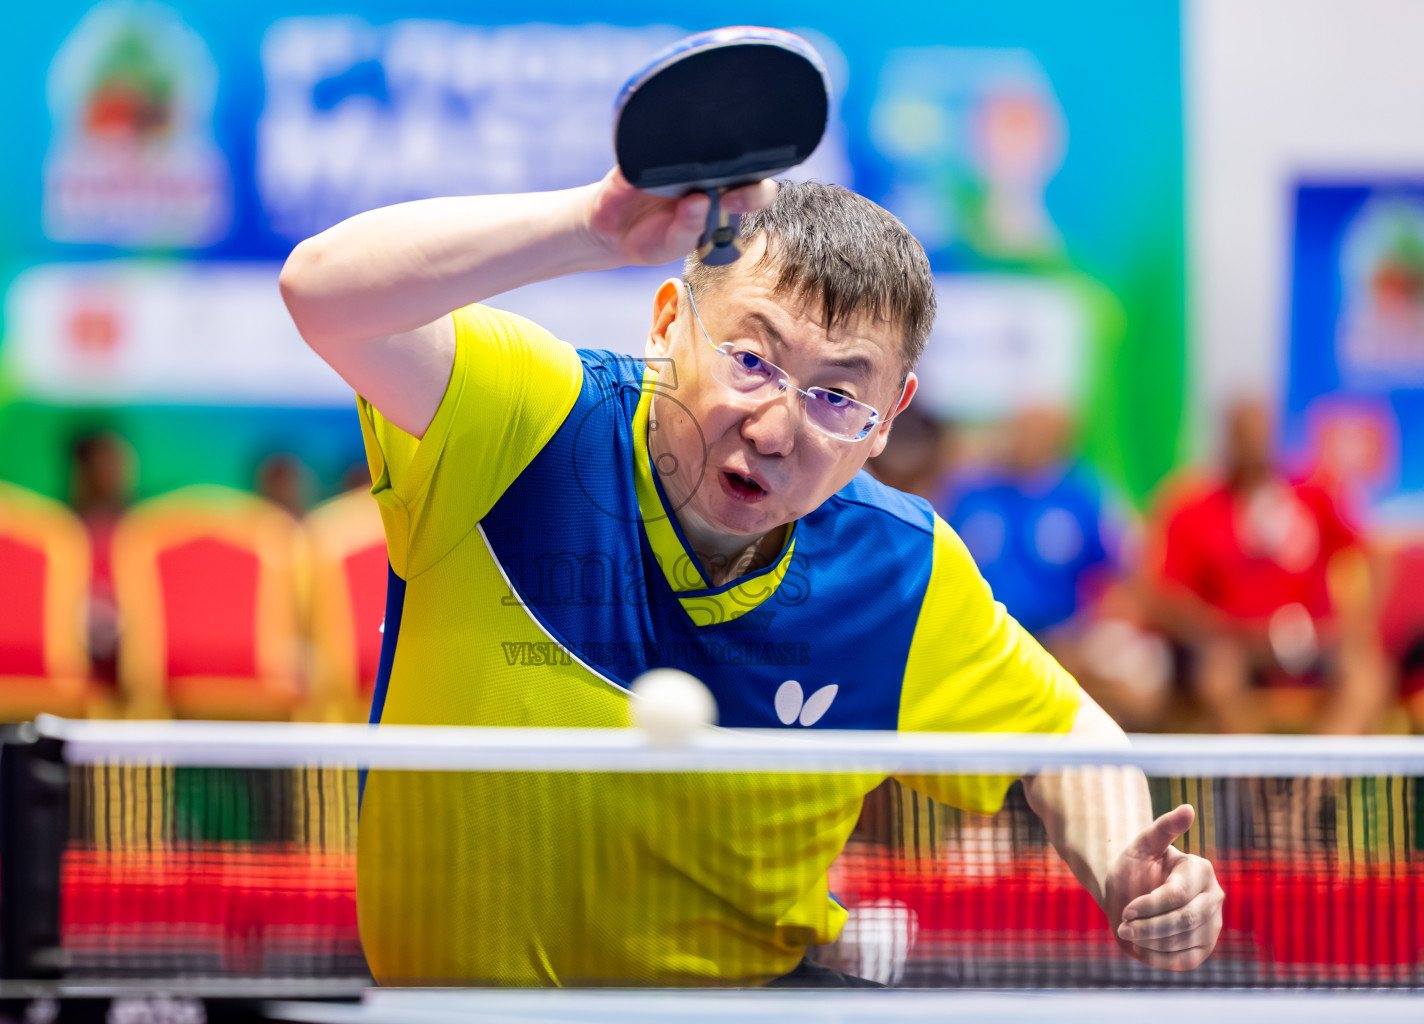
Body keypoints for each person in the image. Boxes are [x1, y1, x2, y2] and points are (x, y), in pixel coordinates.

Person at [280, 170, 1223, 985]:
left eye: (836, 395)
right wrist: (594, 225)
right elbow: (323, 290)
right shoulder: (522, 423)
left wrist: (1121, 867)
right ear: (667, 323)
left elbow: (1065, 734)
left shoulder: (900, 570)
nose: (776, 427)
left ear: (888, 417)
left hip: (749, 1001)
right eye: (751, 358)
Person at [1146, 399, 1389, 734]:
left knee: (1366, 677)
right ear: (1227, 439)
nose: (1252, 445)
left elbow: (1372, 553)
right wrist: (1217, 632)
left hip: (1315, 638)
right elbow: (1168, 593)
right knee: (1218, 678)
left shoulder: (1313, 493)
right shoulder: (1195, 508)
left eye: (1259, 433)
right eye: (1242, 435)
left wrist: (1356, 626)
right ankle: (1256, 777)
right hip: (1240, 644)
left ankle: (1323, 773)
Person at [944, 406, 1172, 732]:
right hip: (982, 636)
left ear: (1062, 440)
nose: (1023, 441)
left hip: (1065, 638)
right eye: (1018, 429)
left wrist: (1092, 631)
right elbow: (937, 567)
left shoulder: (1084, 494)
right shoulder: (970, 493)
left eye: (1036, 432)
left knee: (1136, 684)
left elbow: (1131, 577)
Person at [68, 431, 136, 683]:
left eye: (117, 461)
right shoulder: (61, 532)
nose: (114, 471)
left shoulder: (139, 529)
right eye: (104, 462)